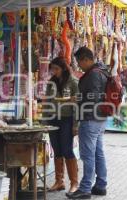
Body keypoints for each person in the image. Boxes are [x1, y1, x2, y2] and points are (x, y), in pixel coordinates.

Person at [67, 47, 108, 199]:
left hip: (90, 118)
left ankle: (85, 188)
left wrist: (78, 99)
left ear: (86, 59)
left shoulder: (93, 75)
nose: (79, 66)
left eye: (79, 62)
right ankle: (101, 185)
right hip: (100, 118)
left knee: (88, 155)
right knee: (98, 153)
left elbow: (93, 98)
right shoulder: (102, 71)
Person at [44, 57, 79, 194]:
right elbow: (47, 102)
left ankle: (74, 183)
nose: (54, 71)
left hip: (67, 119)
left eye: (56, 69)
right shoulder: (51, 82)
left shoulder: (73, 82)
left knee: (67, 150)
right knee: (57, 150)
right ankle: (59, 181)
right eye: (52, 69)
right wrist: (45, 120)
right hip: (53, 118)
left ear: (64, 68)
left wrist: (75, 124)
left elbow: (77, 105)